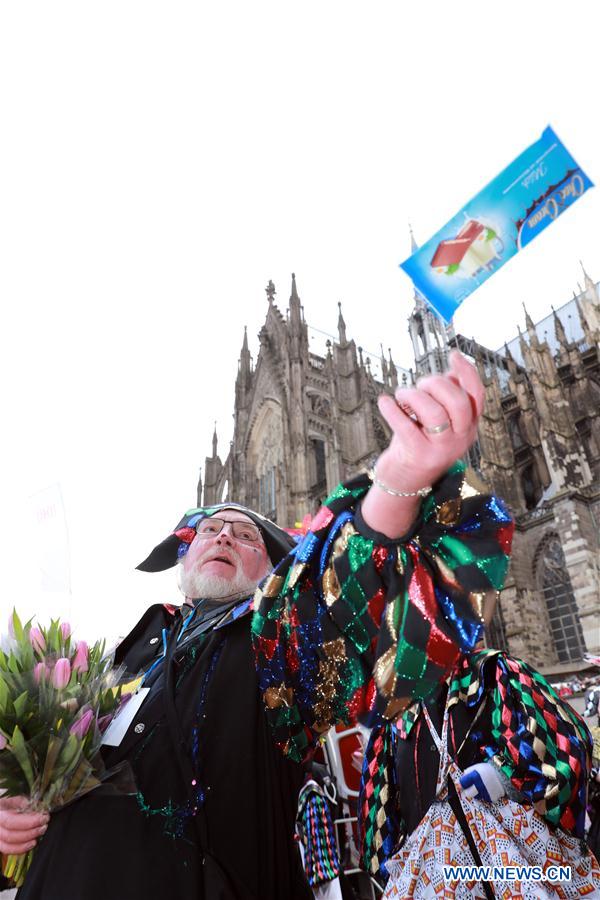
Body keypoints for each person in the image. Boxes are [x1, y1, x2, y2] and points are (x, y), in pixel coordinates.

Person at [1, 352, 513, 899]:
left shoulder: (274, 638)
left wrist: (399, 481)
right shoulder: (122, 656)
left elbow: (340, 601)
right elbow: (56, 775)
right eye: (211, 529)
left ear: (273, 572)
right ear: (183, 562)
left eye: (245, 536)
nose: (223, 536)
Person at [361, 641, 599, 897]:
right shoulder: (391, 723)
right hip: (440, 882)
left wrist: (504, 777)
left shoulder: (491, 673)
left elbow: (566, 744)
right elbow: (378, 837)